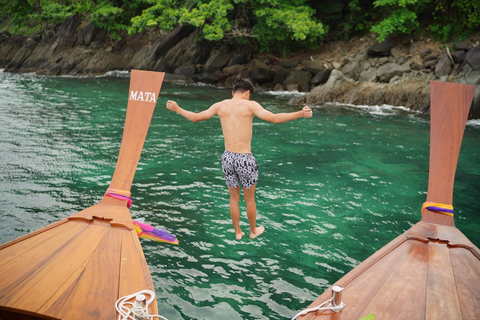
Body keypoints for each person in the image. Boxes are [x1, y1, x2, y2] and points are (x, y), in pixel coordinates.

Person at [166, 78, 312, 240]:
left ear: (233, 92)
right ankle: (252, 231)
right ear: (247, 92)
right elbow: (274, 118)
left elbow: (195, 117)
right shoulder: (250, 105)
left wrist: (177, 108)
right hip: (244, 158)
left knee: (234, 198)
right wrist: (300, 114)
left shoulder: (220, 105)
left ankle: (237, 232)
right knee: (249, 199)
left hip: (227, 157)